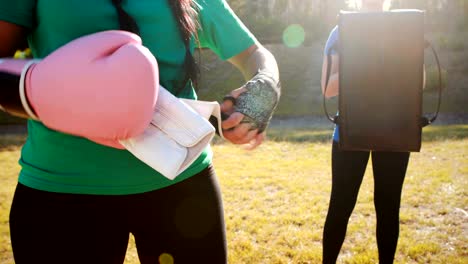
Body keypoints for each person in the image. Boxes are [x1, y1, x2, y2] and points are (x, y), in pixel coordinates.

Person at [0, 0, 280, 263]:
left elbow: (254, 54)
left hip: (183, 189)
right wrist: (58, 95)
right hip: (62, 197)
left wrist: (264, 87)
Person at [320, 0, 412, 263]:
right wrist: (365, 61)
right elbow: (327, 88)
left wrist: (399, 57)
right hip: (351, 130)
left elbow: (422, 80)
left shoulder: (405, 28)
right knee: (341, 205)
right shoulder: (342, 30)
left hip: (395, 129)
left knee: (388, 208)